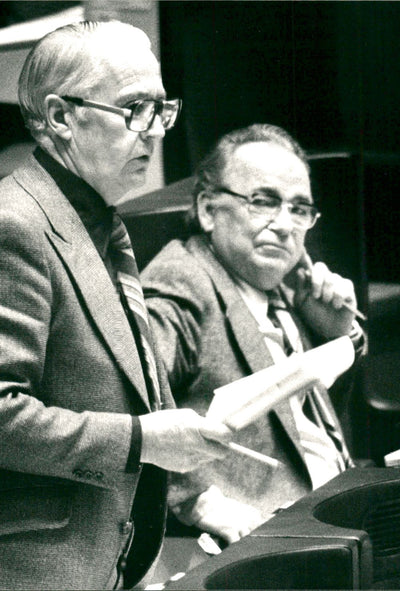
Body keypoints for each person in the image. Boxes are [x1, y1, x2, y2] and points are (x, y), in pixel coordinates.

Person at [0, 21, 232, 590]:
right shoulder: (11, 228)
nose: (154, 133)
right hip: (19, 570)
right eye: (134, 109)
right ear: (61, 117)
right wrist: (142, 440)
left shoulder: (94, 217)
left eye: (161, 110)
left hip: (93, 556)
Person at [141, 123, 367, 546]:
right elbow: (126, 403)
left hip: (335, 512)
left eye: (300, 209)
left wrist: (335, 336)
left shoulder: (283, 287)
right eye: (263, 202)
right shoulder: (182, 281)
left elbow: (297, 427)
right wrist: (195, 500)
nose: (284, 225)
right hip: (271, 540)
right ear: (208, 210)